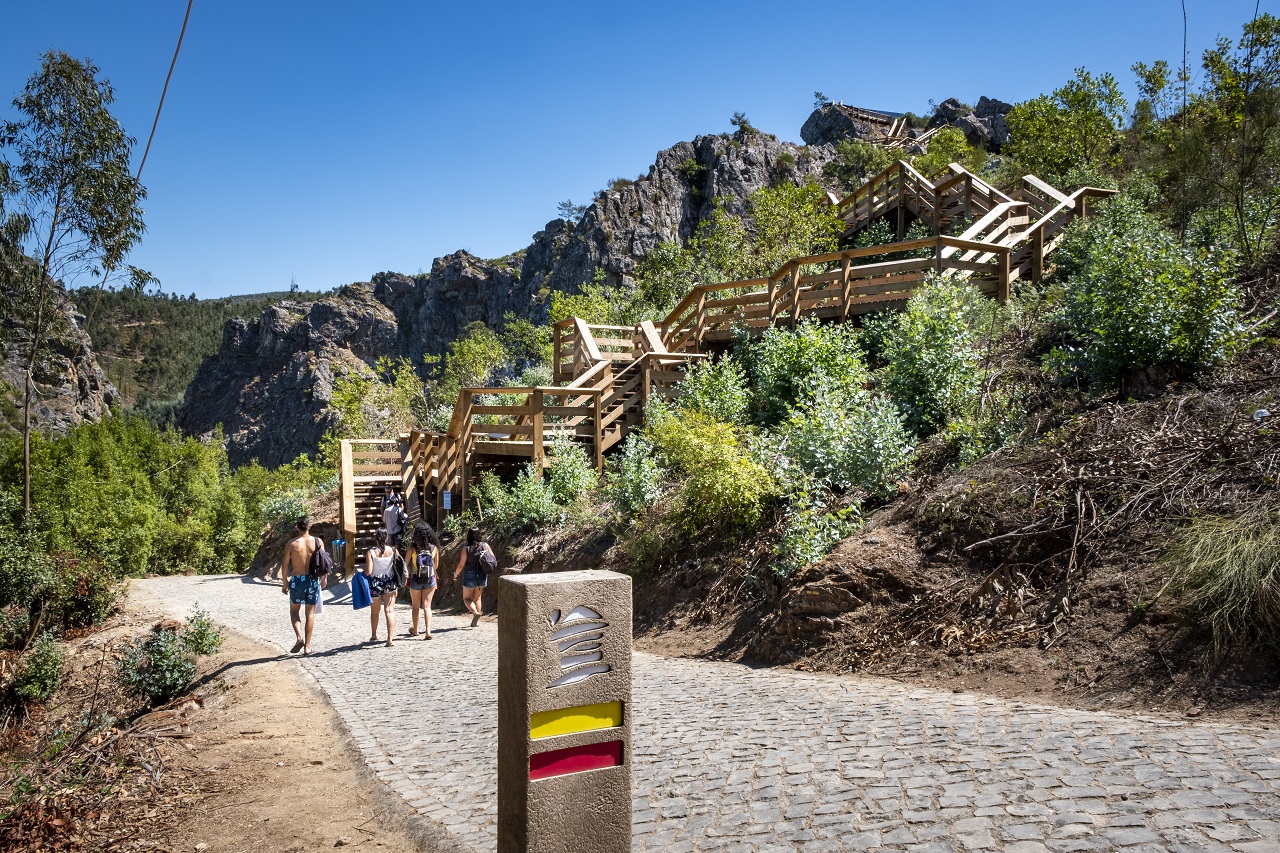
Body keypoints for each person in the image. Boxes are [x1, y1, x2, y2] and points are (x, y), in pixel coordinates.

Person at [281, 516, 327, 655]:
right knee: (310, 613)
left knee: (294, 611)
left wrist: (285, 583)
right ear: (309, 526)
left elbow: (284, 565)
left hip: (297, 580)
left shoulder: (292, 544)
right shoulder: (318, 542)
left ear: (297, 527)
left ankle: (299, 638)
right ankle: (307, 647)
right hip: (312, 580)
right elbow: (324, 562)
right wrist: (324, 578)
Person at [454, 527, 494, 628]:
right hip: (482, 574)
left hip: (469, 575)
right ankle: (476, 620)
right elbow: (493, 558)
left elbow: (461, 565)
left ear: (469, 536)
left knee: (467, 599)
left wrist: (455, 574)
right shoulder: (485, 545)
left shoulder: (466, 548)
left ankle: (475, 613)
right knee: (477, 598)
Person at [364, 527, 398, 646]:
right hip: (390, 582)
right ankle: (390, 639)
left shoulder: (371, 552)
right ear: (387, 537)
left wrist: (361, 575)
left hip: (375, 583)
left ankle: (374, 635)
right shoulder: (393, 550)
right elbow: (399, 564)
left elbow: (369, 571)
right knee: (389, 610)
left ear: (376, 538)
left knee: (375, 611)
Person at [405, 522, 440, 639]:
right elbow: (436, 566)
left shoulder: (413, 548)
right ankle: (428, 631)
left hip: (416, 579)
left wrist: (409, 571)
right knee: (427, 606)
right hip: (429, 579)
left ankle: (415, 630)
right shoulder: (434, 548)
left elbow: (405, 563)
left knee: (415, 606)